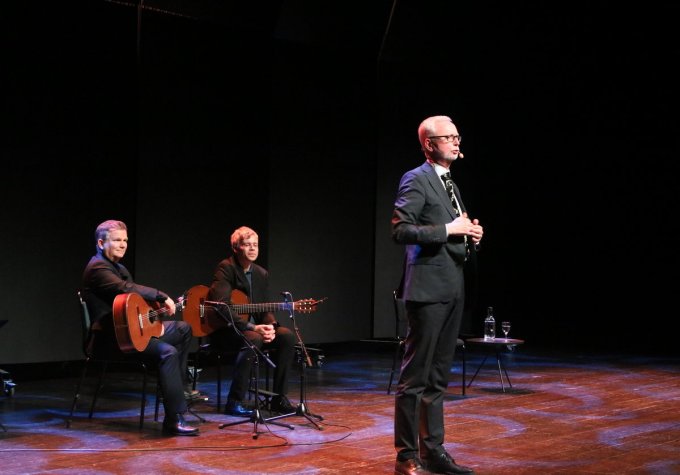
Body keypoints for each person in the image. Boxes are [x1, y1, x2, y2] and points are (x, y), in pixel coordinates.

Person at [391, 115, 483, 475]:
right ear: (430, 144)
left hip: (452, 287)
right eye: (449, 137)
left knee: (438, 377)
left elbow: (454, 229)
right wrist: (448, 229)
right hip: (427, 290)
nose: (457, 142)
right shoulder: (417, 178)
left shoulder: (451, 185)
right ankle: (406, 455)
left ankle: (433, 452)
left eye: (458, 137)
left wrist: (470, 233)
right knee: (415, 378)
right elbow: (401, 230)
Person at [81, 219, 199, 436]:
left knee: (183, 329)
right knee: (167, 352)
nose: (123, 245)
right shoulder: (97, 268)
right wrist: (161, 296)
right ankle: (174, 418)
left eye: (125, 240)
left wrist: (155, 312)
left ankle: (176, 389)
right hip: (110, 340)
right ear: (101, 243)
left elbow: (133, 303)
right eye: (117, 240)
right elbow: (125, 288)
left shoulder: (120, 268)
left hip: (129, 332)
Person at [206, 226, 297, 417]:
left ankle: (279, 398)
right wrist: (252, 327)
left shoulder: (261, 273)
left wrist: (271, 326)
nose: (253, 248)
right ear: (236, 248)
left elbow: (264, 307)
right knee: (253, 338)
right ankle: (234, 401)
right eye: (247, 245)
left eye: (255, 244)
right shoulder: (226, 268)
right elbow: (222, 307)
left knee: (287, 336)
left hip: (255, 330)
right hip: (228, 331)